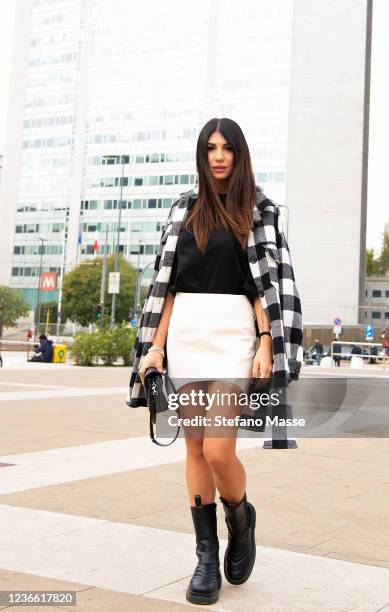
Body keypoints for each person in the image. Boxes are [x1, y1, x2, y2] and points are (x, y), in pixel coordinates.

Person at [127, 118, 303, 605]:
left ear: (240, 154)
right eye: (210, 148)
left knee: (219, 452)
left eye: (227, 148)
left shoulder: (259, 209)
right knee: (195, 450)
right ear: (202, 156)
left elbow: (265, 285)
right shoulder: (184, 208)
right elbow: (169, 286)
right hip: (186, 334)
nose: (219, 156)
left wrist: (267, 339)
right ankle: (206, 557)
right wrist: (156, 347)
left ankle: (240, 519)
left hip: (234, 337)